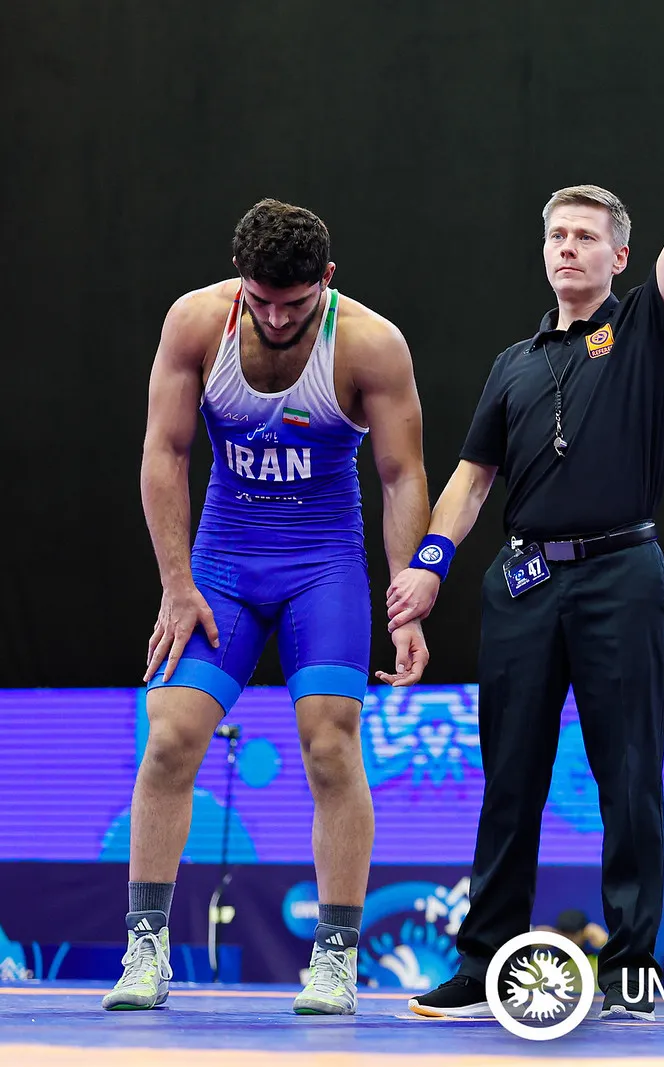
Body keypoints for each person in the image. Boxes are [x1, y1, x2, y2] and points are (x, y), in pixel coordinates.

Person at [394, 69, 664, 1023]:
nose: (567, 246)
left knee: (628, 776)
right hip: (521, 584)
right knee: (508, 777)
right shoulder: (512, 364)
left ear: (620, 254)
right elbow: (471, 480)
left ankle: (630, 966)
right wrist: (428, 568)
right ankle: (484, 962)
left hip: (622, 575)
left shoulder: (644, 326)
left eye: (586, 235)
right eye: (556, 234)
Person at [105, 199, 431, 1015]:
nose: (279, 319)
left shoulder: (369, 343)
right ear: (239, 279)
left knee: (330, 744)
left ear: (328, 279)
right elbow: (165, 452)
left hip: (323, 566)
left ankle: (336, 957)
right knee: (169, 738)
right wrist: (177, 583)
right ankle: (145, 948)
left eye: (296, 303)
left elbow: (401, 476)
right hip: (222, 563)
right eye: (262, 301)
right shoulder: (196, 323)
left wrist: (407, 598)